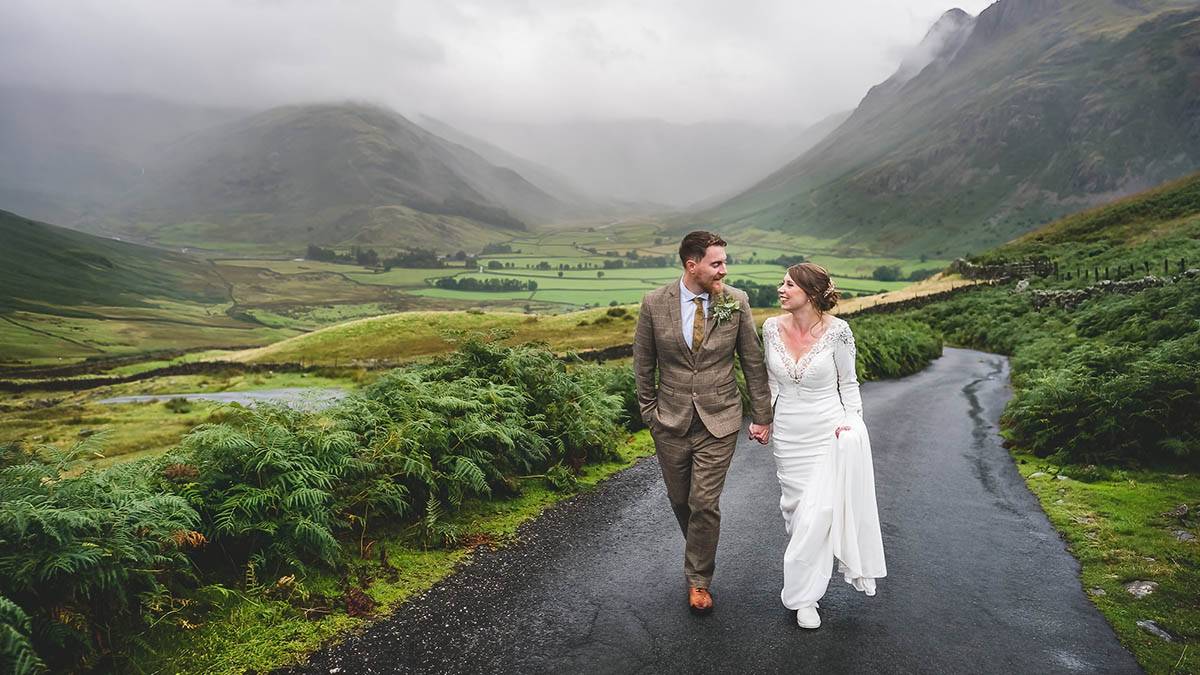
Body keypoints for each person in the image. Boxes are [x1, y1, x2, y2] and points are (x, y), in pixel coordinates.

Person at [633, 230, 774, 615]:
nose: (724, 270)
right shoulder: (653, 304)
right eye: (717, 263)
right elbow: (643, 364)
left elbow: (752, 361)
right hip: (670, 420)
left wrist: (762, 415)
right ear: (691, 264)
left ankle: (699, 580)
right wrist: (650, 414)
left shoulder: (736, 301)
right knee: (680, 499)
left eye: (724, 262)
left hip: (721, 418)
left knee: (703, 502)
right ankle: (699, 546)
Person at [762, 262, 886, 629]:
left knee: (820, 513)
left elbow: (849, 385)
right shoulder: (770, 328)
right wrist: (765, 419)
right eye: (781, 283)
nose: (781, 289)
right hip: (788, 433)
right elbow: (769, 382)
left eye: (788, 284)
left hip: (827, 431)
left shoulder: (839, 333)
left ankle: (804, 599)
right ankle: (807, 583)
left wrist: (851, 424)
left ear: (811, 293)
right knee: (797, 513)